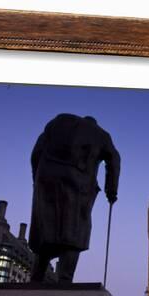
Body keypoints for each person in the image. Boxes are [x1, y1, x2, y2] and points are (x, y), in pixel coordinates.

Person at [28, 113, 121, 283]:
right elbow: (114, 159)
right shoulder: (101, 135)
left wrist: (38, 178)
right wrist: (112, 190)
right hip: (78, 183)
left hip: (47, 178)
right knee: (75, 230)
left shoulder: (57, 121)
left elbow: (36, 152)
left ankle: (36, 277)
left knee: (46, 227)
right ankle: (64, 280)